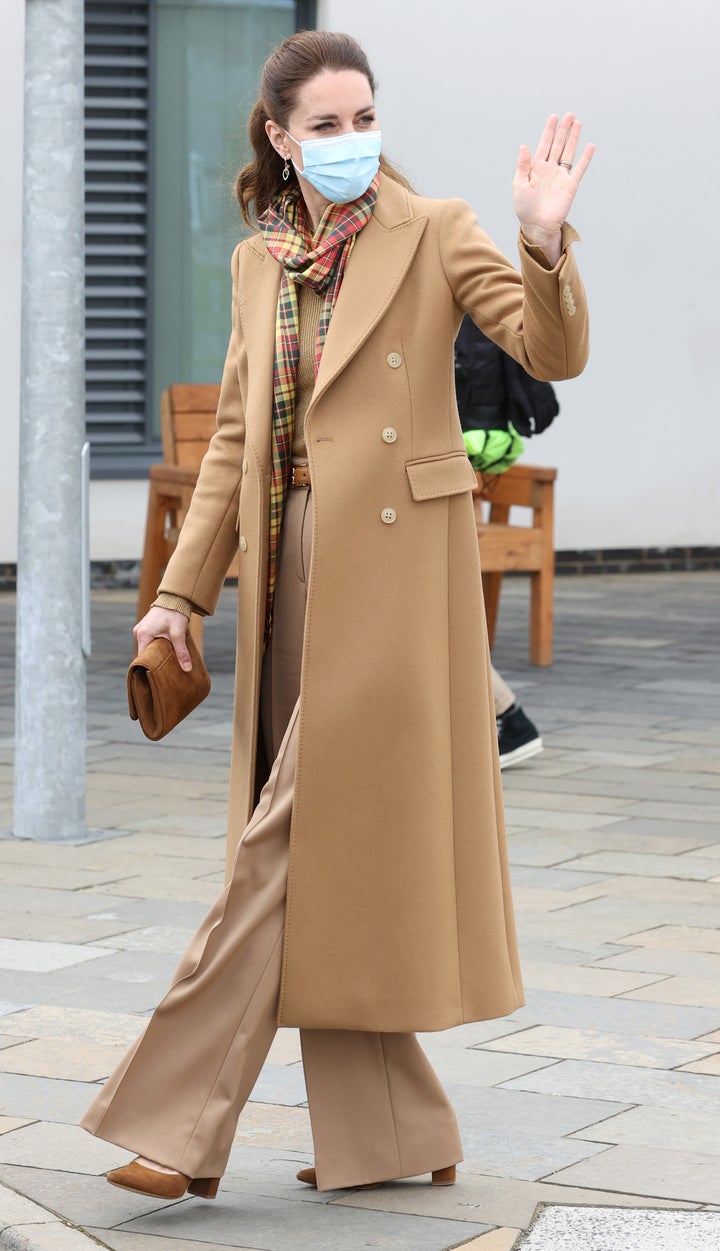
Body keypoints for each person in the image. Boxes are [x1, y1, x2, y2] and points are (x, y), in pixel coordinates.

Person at [80, 29, 593, 1201]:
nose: (354, 140)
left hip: (400, 586)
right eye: (326, 124)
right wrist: (174, 598)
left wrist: (546, 238)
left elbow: (546, 344)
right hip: (288, 571)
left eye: (366, 117)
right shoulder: (265, 264)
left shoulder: (441, 228)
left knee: (285, 848)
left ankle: (175, 1122)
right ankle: (398, 1135)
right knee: (330, 858)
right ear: (279, 136)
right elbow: (231, 449)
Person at [454, 315, 560, 768]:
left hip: (446, 462)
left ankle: (505, 718)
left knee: (432, 606)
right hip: (466, 458)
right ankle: (501, 718)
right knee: (434, 604)